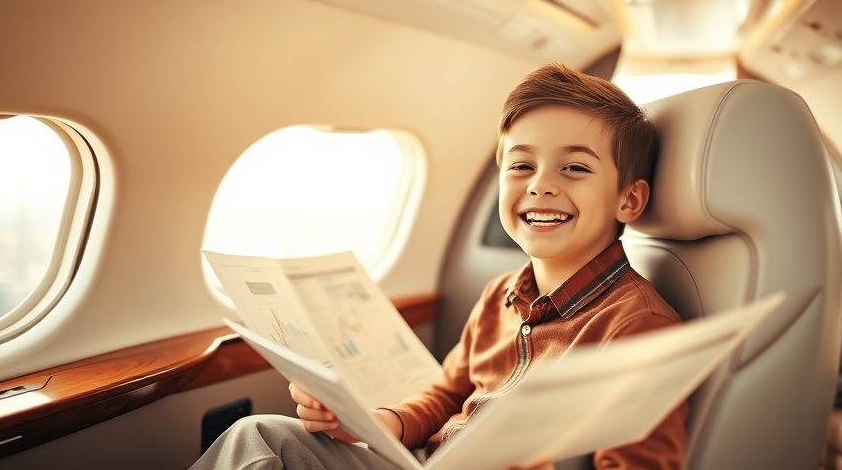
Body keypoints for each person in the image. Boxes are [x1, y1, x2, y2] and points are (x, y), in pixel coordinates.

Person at [189, 63, 688, 470]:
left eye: (574, 167)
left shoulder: (637, 325)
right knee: (259, 438)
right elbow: (448, 394)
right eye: (520, 165)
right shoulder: (501, 296)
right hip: (425, 459)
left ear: (629, 199)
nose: (540, 185)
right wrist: (381, 422)